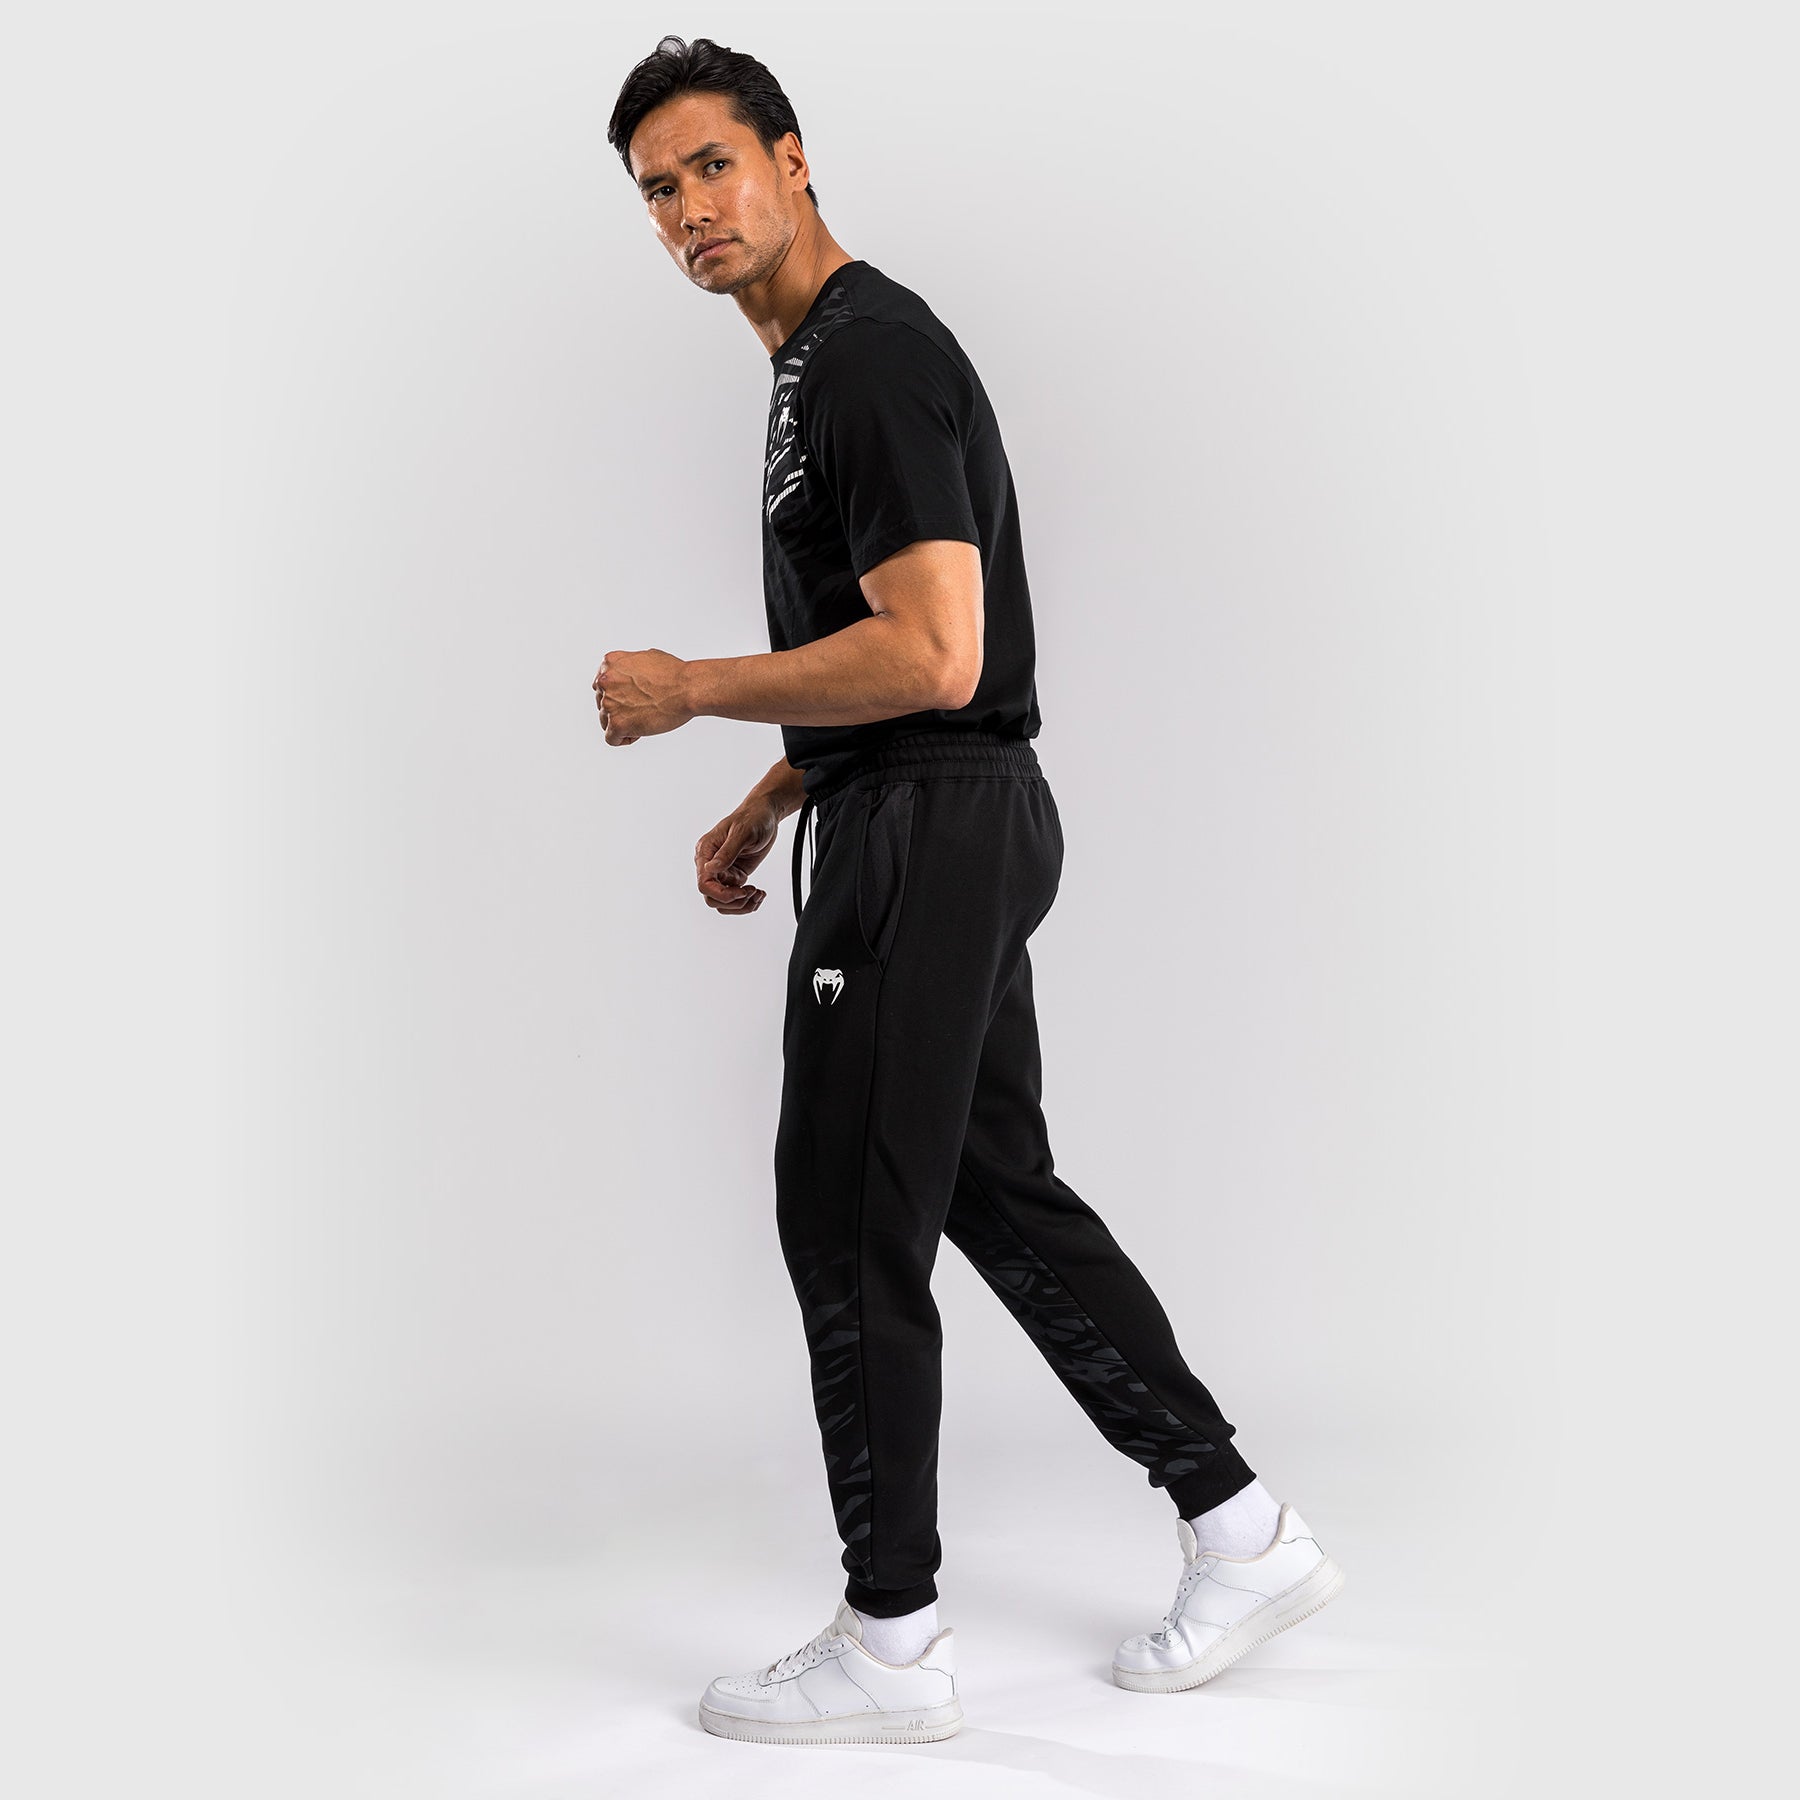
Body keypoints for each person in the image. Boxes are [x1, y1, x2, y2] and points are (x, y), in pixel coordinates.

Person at [598, 36, 1343, 1746]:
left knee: (845, 1215)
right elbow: (913, 656)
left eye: (713, 166)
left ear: (792, 159)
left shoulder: (866, 354)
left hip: (931, 827)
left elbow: (938, 654)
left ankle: (893, 1638)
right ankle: (1243, 1530)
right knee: (990, 1187)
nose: (690, 209)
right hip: (940, 813)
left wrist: (695, 690)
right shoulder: (821, 365)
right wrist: (775, 790)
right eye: (656, 191)